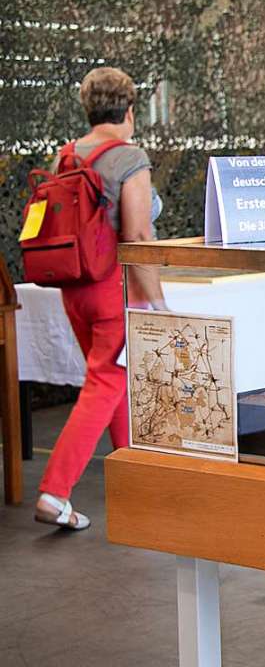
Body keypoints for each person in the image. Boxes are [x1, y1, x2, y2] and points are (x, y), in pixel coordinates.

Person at [35, 67, 167, 531]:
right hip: (113, 287)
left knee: (112, 379)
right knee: (105, 384)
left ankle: (136, 473)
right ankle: (55, 491)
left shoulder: (65, 156)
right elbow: (137, 235)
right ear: (130, 111)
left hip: (74, 289)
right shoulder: (129, 157)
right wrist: (159, 301)